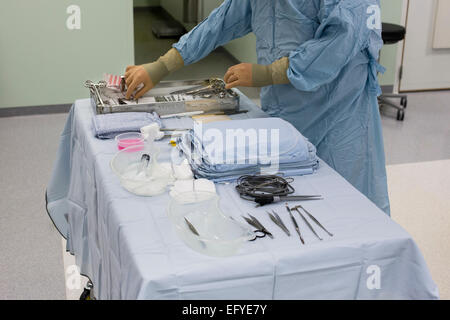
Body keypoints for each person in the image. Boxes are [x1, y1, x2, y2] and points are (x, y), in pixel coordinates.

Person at [124, 0, 390, 215]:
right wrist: (161, 66)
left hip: (339, 114)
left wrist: (269, 73)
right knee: (286, 201)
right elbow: (221, 22)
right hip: (286, 109)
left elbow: (341, 40)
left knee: (345, 210)